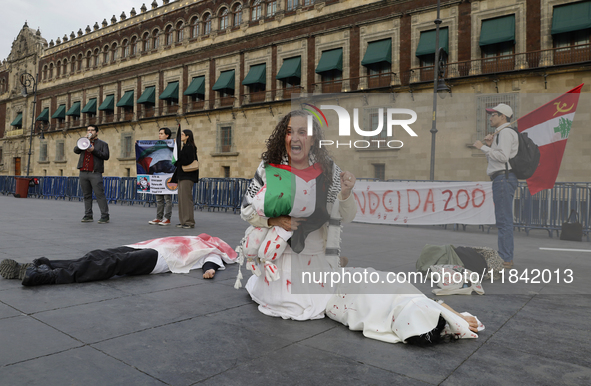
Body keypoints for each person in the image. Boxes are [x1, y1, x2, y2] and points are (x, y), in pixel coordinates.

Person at [238, 110, 483, 345]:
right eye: (290, 131)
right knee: (363, 297)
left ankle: (433, 306)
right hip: (283, 269)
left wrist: (346, 192)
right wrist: (273, 221)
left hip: (320, 263)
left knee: (379, 279)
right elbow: (247, 209)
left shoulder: (329, 170)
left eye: (303, 132)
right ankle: (430, 315)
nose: (295, 138)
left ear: (313, 139)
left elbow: (345, 217)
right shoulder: (267, 169)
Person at [0, 234, 236, 286]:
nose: (208, 238)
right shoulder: (191, 237)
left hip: (161, 259)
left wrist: (210, 271)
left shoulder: (209, 249)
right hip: (143, 246)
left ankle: (50, 276)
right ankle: (45, 263)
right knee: (96, 255)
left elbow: (212, 261)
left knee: (112, 264)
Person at [473, 103, 519, 269]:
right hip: (503, 178)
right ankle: (506, 257)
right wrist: (491, 145)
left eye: (494, 114)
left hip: (503, 179)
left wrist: (483, 147)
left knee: (504, 220)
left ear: (503, 117)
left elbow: (503, 157)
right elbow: (496, 159)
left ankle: (505, 258)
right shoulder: (502, 133)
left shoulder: (506, 132)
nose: (490, 117)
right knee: (503, 219)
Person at [74, 125, 110, 224]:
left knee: (99, 195)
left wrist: (93, 150)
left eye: (92, 130)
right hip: (83, 172)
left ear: (97, 132)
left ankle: (105, 215)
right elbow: (76, 150)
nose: (90, 131)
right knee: (86, 195)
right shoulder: (83, 141)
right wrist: (84, 140)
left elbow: (106, 156)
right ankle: (88, 215)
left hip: (95, 173)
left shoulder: (103, 144)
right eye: (88, 130)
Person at [172, 129, 199, 229]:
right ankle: (183, 221)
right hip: (182, 176)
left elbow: (186, 160)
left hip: (187, 176)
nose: (181, 136)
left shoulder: (190, 147)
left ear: (188, 136)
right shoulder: (185, 147)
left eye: (183, 135)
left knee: (186, 200)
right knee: (181, 200)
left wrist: (177, 151)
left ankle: (189, 222)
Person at [148, 128, 174, 226]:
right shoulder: (156, 145)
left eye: (161, 134)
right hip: (157, 176)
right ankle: (159, 217)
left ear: (167, 135)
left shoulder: (172, 144)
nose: (159, 135)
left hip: (168, 176)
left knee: (167, 199)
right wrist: (138, 144)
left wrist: (175, 142)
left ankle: (167, 218)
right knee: (159, 199)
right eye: (159, 133)